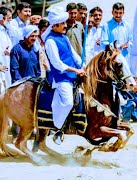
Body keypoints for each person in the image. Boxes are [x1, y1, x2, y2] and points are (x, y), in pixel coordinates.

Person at [43, 7, 85, 145]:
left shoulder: (65, 37)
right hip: (60, 77)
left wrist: (83, 66)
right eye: (62, 24)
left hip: (73, 74)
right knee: (68, 102)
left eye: (65, 23)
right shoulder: (50, 41)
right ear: (54, 25)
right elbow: (57, 64)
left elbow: (74, 55)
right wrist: (75, 71)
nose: (65, 25)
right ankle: (57, 129)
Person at [0, 7, 13, 90]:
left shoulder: (5, 29)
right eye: (9, 18)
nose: (10, 20)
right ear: (2, 18)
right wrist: (3, 52)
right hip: (0, 64)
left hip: (7, 62)